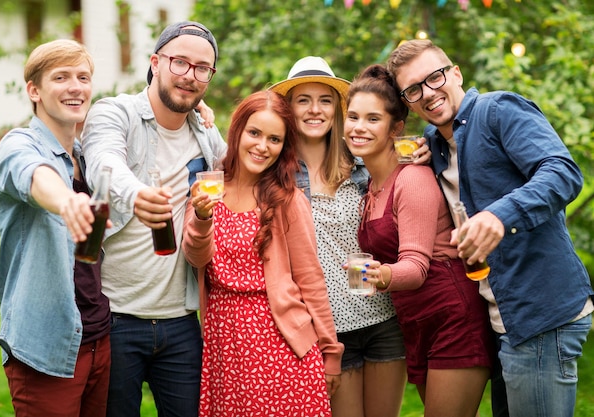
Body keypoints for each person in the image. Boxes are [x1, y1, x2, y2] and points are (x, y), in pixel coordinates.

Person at [386, 39, 594, 417]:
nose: (428, 94)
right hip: (502, 322)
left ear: (456, 73)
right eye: (413, 90)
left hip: (540, 313)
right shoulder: (438, 144)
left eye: (434, 78)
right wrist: (426, 146)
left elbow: (562, 172)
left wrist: (499, 215)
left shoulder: (498, 110)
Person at [81, 21, 227, 417]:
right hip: (115, 318)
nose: (189, 75)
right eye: (180, 62)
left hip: (181, 320)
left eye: (202, 68)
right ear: (156, 62)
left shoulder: (206, 134)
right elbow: (103, 161)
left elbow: (245, 171)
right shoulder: (115, 112)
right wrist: (136, 193)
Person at [343, 64, 495, 417]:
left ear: (396, 128)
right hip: (416, 320)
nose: (358, 127)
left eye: (372, 119)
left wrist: (379, 276)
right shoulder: (371, 186)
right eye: (352, 117)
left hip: (452, 314)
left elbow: (415, 268)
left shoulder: (411, 178)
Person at [182, 90, 343, 416]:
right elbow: (196, 257)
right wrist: (202, 217)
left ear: (284, 147)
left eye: (274, 139)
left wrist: (331, 352)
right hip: (225, 343)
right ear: (237, 130)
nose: (262, 146)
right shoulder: (208, 189)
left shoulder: (287, 199)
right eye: (254, 133)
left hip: (280, 344)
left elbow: (311, 280)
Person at [269, 56, 407, 417]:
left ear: (336, 108)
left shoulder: (363, 162)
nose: (315, 110)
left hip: (381, 318)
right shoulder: (273, 174)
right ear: (289, 108)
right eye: (303, 100)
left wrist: (418, 153)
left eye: (325, 100)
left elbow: (406, 166)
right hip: (328, 330)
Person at [0, 39, 111, 417]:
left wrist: (196, 111)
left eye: (83, 77)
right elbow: (33, 173)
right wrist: (67, 201)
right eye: (61, 77)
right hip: (45, 347)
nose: (75, 86)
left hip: (100, 339)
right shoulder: (17, 145)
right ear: (34, 90)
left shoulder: (86, 154)